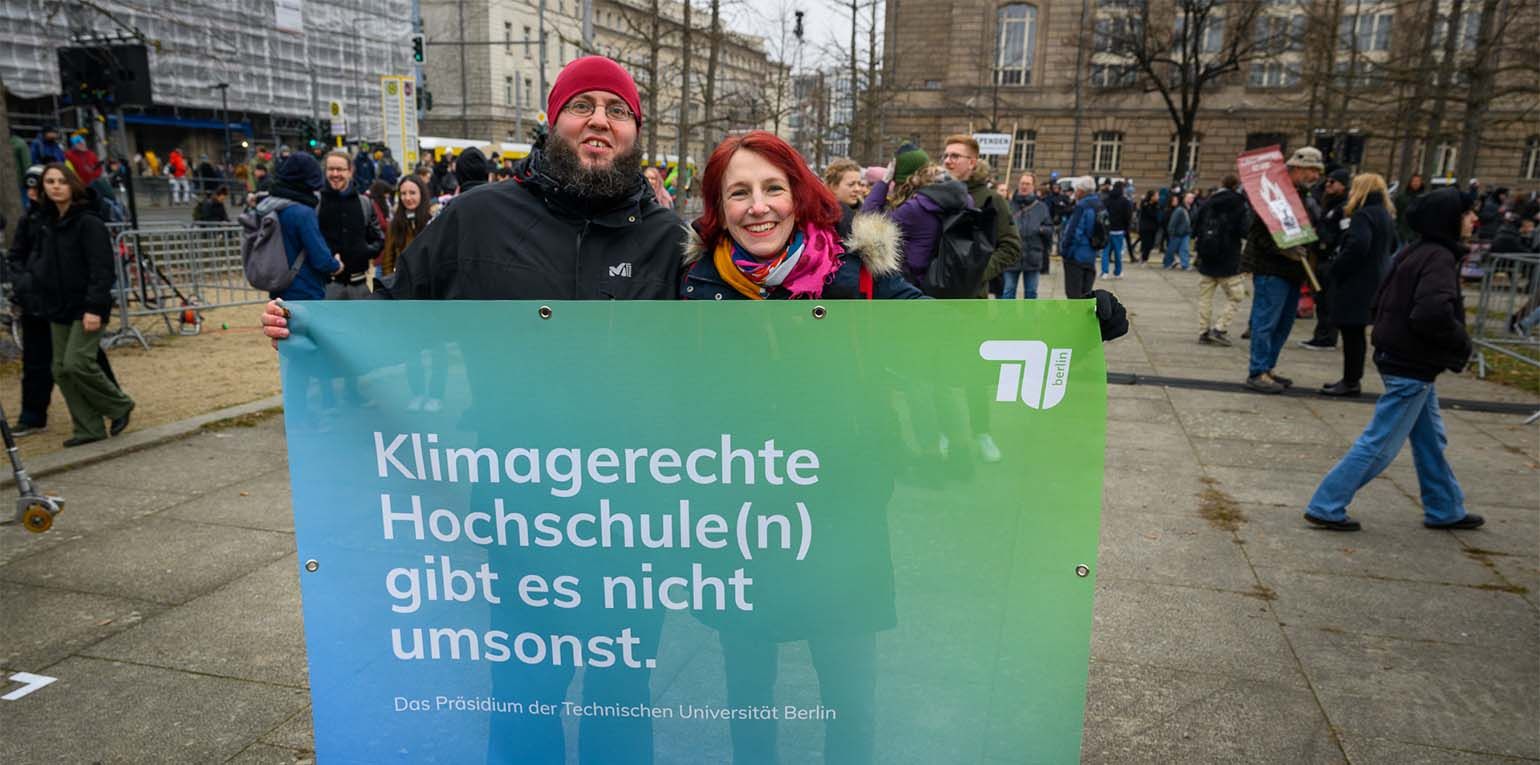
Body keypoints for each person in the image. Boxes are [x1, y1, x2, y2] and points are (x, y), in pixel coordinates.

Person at [1303, 187, 1482, 532]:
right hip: (1411, 361)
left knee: (1430, 439)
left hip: (1402, 355)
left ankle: (1445, 507)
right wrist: (1462, 343)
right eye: (1468, 213)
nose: (1474, 219)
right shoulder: (1437, 258)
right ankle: (1326, 504)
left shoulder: (1416, 252)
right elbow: (1431, 312)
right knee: (1381, 442)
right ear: (1449, 219)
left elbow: (1382, 297)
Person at [681, 131, 921, 303]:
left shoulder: (862, 272)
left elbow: (939, 330)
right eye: (739, 193)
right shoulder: (693, 279)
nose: (758, 207)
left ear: (797, 201)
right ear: (721, 213)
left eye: (774, 188)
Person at [27, 164, 135, 447]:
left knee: (78, 362)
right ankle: (88, 426)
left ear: (72, 185)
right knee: (60, 369)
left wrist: (95, 307)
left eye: (61, 181)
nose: (55, 186)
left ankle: (118, 404)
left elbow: (102, 269)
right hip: (57, 305)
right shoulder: (46, 223)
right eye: (49, 181)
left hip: (86, 305)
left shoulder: (89, 222)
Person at [1243, 146, 1323, 394]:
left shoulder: (1302, 195)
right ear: (1297, 168)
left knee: (1284, 323)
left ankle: (1268, 368)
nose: (1316, 176)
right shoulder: (1274, 196)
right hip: (1272, 269)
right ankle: (1258, 371)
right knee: (1266, 321)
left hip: (1292, 270)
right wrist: (1285, 250)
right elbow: (1259, 234)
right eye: (1312, 170)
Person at [1320, 173, 1395, 398]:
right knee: (1356, 333)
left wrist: (1337, 267)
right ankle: (1351, 379)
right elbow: (1393, 245)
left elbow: (1358, 245)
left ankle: (1351, 380)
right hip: (1375, 278)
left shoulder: (1363, 215)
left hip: (1357, 282)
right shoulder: (1384, 215)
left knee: (1351, 332)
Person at [861, 161, 968, 288]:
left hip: (916, 286)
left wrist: (884, 182)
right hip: (952, 282)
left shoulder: (916, 208)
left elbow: (869, 224)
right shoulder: (966, 201)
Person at [941, 135, 1021, 296]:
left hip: (970, 298)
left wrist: (979, 273)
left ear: (972, 162)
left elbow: (1011, 246)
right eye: (946, 156)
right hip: (931, 295)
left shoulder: (991, 199)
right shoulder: (934, 193)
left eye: (955, 156)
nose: (947, 161)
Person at [259, 153, 343, 302]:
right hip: (305, 290)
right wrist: (336, 265)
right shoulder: (302, 213)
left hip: (279, 286)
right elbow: (320, 258)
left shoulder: (272, 206)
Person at [317, 150, 384, 299]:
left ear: (350, 171)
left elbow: (378, 238)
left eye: (340, 169)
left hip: (359, 285)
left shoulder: (364, 203)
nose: (335, 174)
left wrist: (365, 250)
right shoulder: (317, 202)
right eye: (331, 169)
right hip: (327, 286)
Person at [1194, 174, 1249, 346]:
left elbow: (1195, 225)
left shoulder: (1209, 201)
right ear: (1236, 186)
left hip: (1207, 257)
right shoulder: (1239, 204)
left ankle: (1203, 331)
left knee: (1205, 298)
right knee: (1236, 296)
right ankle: (1220, 327)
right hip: (1229, 259)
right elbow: (1245, 230)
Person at [1301, 168, 1351, 351]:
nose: (1328, 185)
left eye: (1333, 182)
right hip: (1322, 255)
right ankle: (1320, 335)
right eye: (1327, 182)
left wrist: (1320, 235)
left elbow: (1341, 234)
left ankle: (1327, 337)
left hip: (1331, 256)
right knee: (1321, 299)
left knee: (1329, 300)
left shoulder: (1343, 207)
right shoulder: (1329, 204)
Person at [1006, 172, 1052, 300]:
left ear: (1033, 186)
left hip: (1033, 256)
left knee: (1031, 293)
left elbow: (1049, 229)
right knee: (1008, 292)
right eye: (1022, 183)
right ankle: (1006, 319)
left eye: (1027, 184)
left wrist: (1040, 229)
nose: (1024, 186)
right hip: (1011, 256)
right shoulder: (1009, 205)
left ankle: (1029, 319)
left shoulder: (1041, 207)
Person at [1059, 176, 1102, 299]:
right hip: (1091, 254)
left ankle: (1076, 318)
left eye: (1076, 190)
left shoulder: (1082, 206)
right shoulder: (1098, 204)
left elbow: (1074, 232)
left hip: (1076, 255)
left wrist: (1065, 250)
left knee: (1073, 295)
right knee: (1086, 294)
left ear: (1081, 191)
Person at [1101, 180, 1132, 278]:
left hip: (1107, 229)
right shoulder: (1125, 201)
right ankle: (1118, 272)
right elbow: (1128, 216)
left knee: (1105, 252)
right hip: (1119, 230)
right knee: (1118, 252)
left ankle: (1104, 272)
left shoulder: (1107, 200)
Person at [1162, 192, 1192, 269]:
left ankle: (1185, 265)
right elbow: (1173, 222)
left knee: (1185, 249)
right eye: (1189, 198)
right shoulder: (1180, 209)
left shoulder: (1188, 208)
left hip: (1185, 233)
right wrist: (1171, 232)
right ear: (1184, 199)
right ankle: (1167, 264)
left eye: (1192, 198)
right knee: (1171, 250)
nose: (1191, 199)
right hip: (1177, 233)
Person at [1136, 189, 1160, 264]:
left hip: (1153, 227)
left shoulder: (1157, 204)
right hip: (1145, 227)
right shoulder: (1145, 204)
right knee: (1146, 243)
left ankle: (1144, 257)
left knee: (1150, 244)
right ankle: (1144, 259)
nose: (1158, 197)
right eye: (1156, 195)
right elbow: (1151, 214)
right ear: (1151, 197)